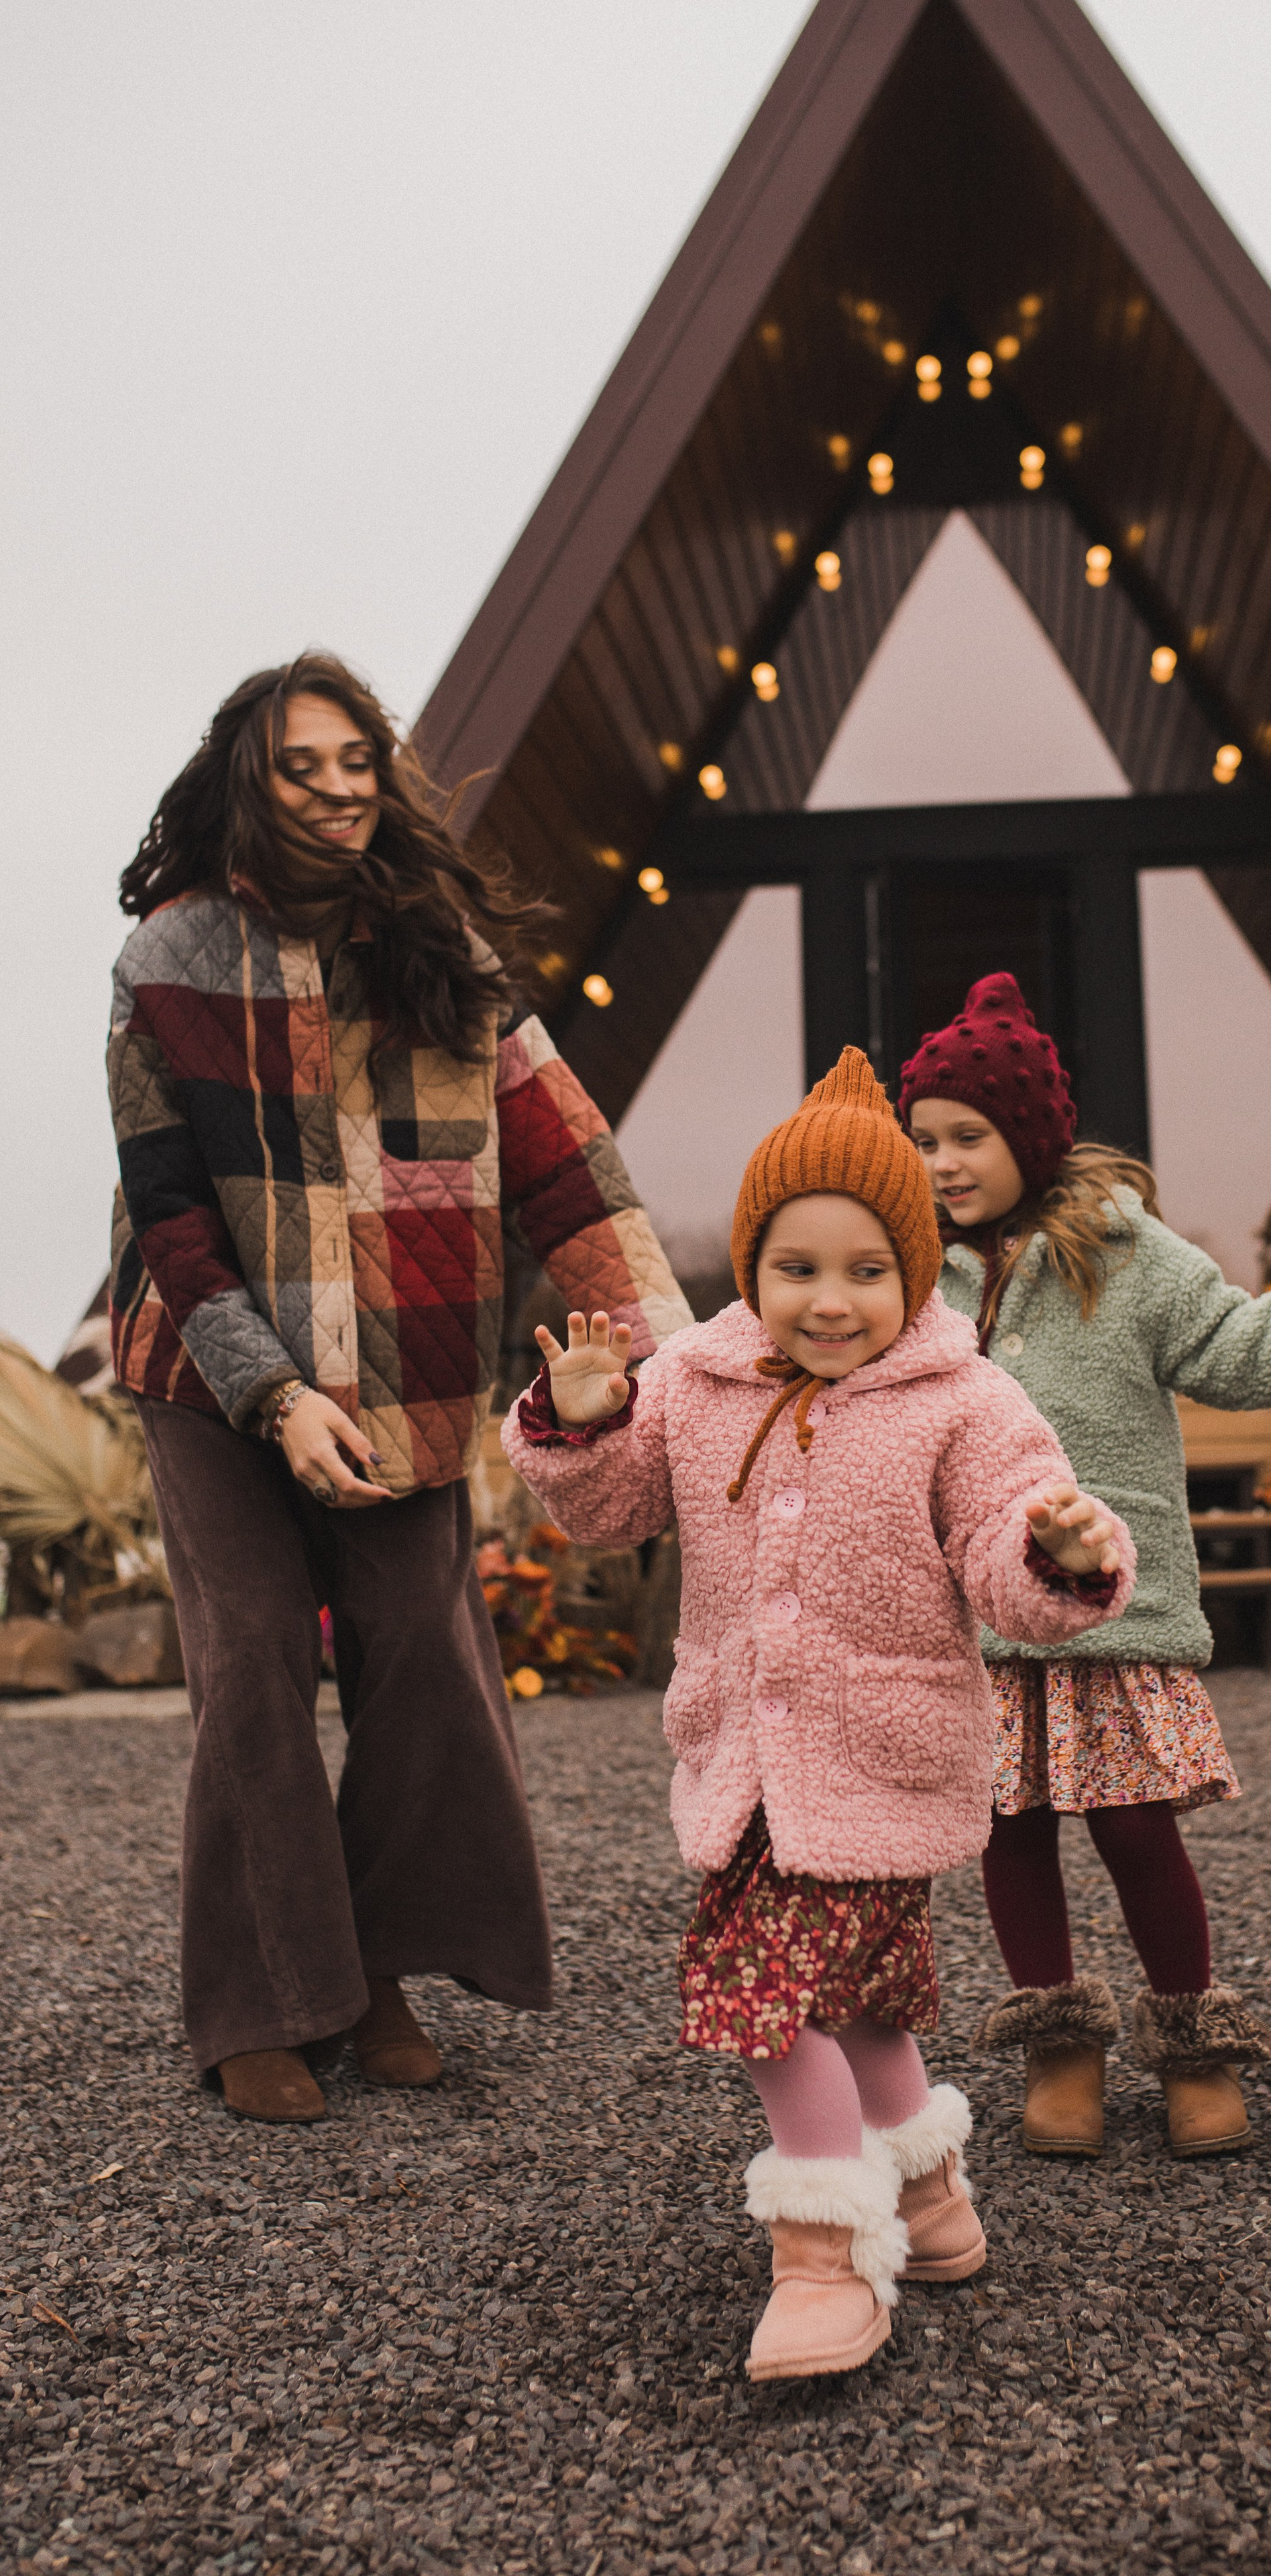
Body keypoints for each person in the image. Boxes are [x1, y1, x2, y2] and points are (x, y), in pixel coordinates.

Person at [109, 653, 690, 2125]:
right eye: (303, 765)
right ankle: (263, 1997)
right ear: (251, 781)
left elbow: (571, 1167)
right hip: (208, 1366)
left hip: (409, 1372)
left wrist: (671, 1362)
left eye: (357, 759)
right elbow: (169, 1211)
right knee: (250, 1661)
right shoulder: (168, 960)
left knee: (422, 1664)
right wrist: (272, 1396)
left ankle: (375, 1971)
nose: (338, 787)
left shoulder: (444, 961)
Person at [502, 1048, 1134, 2383]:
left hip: (877, 1759)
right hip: (741, 1758)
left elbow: (1003, 1552)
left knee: (771, 2008)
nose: (830, 1300)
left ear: (912, 1270)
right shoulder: (693, 1378)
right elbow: (615, 1513)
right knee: (853, 2008)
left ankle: (823, 2257)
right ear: (748, 1266)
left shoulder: (962, 1399)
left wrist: (1064, 1552)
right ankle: (928, 2200)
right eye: (795, 1269)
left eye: (864, 1270)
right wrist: (580, 1427)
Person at [897, 974, 1271, 2160]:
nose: (941, 1163)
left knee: (1137, 1830)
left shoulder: (1127, 1255)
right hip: (973, 1614)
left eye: (967, 1137)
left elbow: (1236, 1348)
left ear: (1031, 1137)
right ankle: (1059, 2044)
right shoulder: (909, 1272)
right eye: (922, 1139)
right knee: (1010, 1830)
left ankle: (1191, 2036)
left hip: (1110, 1611)